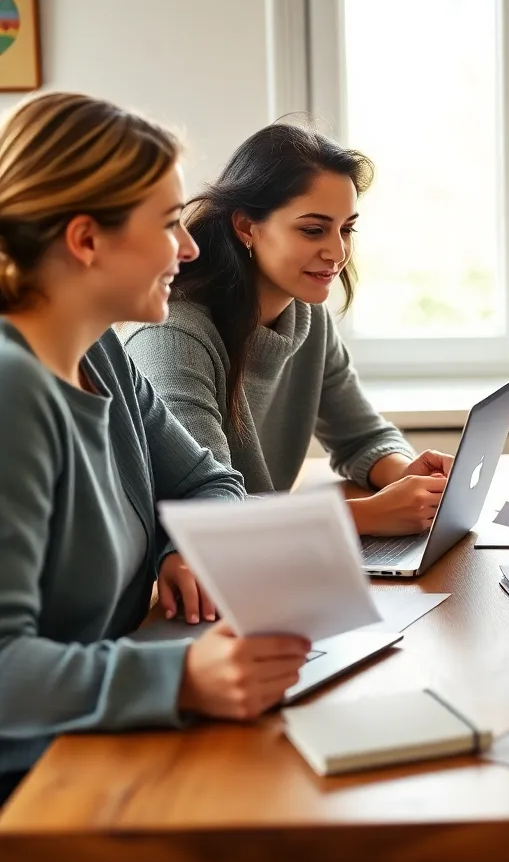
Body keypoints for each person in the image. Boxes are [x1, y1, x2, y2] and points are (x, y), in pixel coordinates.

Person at [0, 92, 311, 808]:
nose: (193, 249)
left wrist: (180, 548)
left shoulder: (101, 350)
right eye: (171, 224)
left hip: (101, 738)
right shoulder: (14, 392)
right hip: (35, 787)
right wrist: (181, 679)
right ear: (86, 240)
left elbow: (211, 482)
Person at [124, 121, 454, 549]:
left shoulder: (305, 316)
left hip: (274, 548)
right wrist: (370, 514)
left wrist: (404, 472)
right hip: (206, 571)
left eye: (346, 228)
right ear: (246, 227)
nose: (337, 252)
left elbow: (362, 436)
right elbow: (204, 512)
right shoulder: (172, 337)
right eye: (313, 230)